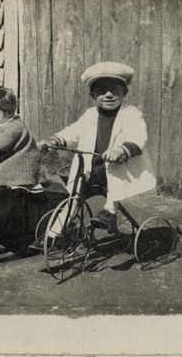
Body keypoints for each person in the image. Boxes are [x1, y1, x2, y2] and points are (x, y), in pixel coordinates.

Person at [36, 62, 156, 243]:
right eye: (101, 91)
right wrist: (55, 141)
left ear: (125, 93)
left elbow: (138, 135)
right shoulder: (90, 115)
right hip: (92, 169)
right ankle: (53, 235)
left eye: (115, 90)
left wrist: (121, 150)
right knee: (73, 198)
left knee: (115, 191)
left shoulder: (131, 114)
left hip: (120, 168)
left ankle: (110, 213)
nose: (108, 95)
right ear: (92, 95)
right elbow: (73, 131)